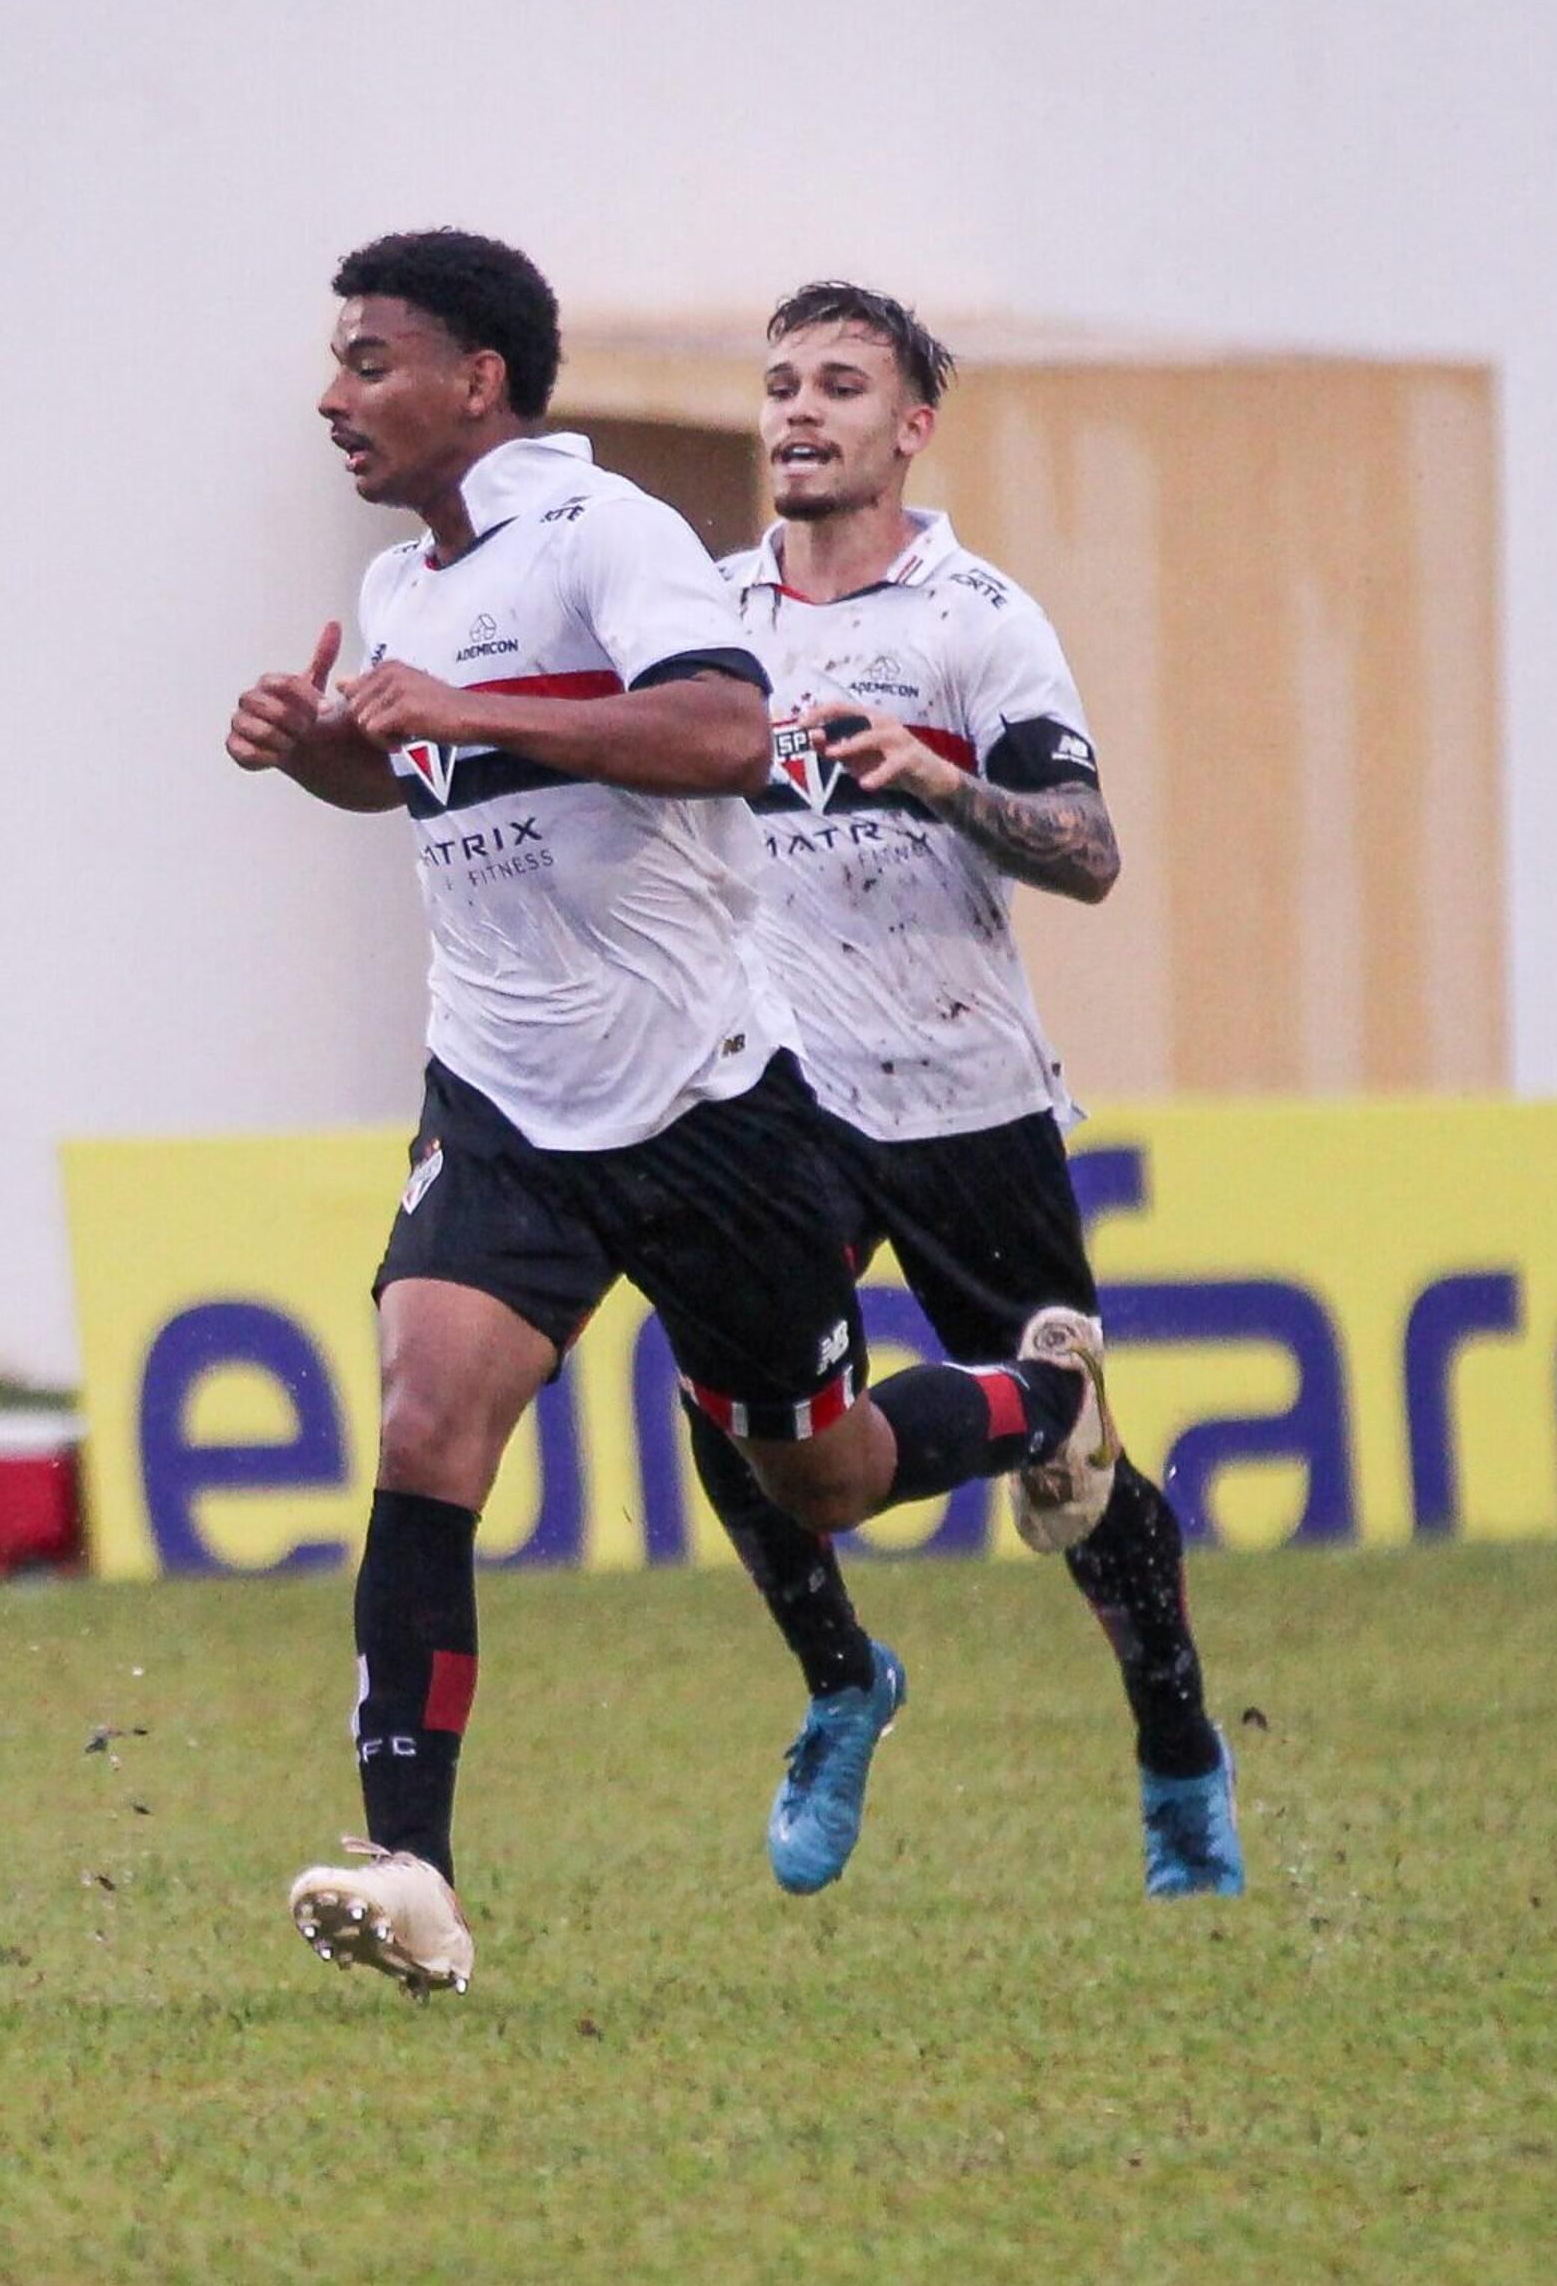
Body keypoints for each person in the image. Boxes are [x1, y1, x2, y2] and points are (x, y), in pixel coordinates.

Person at [224, 231, 1123, 1998]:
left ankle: (1046, 1397)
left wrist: (463, 705)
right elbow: (424, 769)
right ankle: (412, 1868)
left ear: (477, 379)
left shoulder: (606, 534)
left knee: (829, 1474)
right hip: (500, 1095)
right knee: (426, 1420)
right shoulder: (406, 584)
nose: (336, 396)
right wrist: (320, 743)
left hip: (709, 1108)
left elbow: (725, 732)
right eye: (336, 362)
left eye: (372, 361)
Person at [693, 281, 1240, 1898]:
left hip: (957, 1092)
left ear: (911, 425)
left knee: (1087, 1486)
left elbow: (1090, 852)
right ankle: (843, 1681)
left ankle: (1179, 1754)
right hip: (773, 1094)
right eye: (782, 383)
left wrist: (940, 776)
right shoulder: (711, 615)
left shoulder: (974, 617)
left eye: (840, 385)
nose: (799, 411)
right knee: (736, 1402)